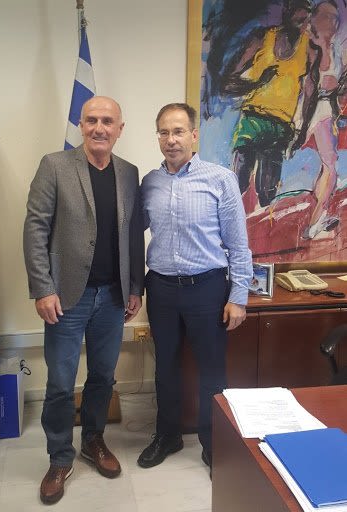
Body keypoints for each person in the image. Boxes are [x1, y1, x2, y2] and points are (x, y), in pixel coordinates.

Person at [23, 96, 144, 504]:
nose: (99, 128)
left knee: (103, 377)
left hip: (112, 297)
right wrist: (43, 288)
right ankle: (60, 457)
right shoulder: (55, 165)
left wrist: (135, 287)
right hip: (65, 298)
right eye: (92, 120)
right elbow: (35, 230)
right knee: (60, 383)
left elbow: (133, 235)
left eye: (107, 121)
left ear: (120, 129)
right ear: (81, 124)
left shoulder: (128, 172)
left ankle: (93, 440)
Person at [138, 103, 252, 476]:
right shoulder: (149, 183)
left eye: (178, 131)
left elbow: (239, 244)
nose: (171, 140)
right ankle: (168, 436)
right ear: (158, 136)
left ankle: (213, 443)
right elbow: (129, 234)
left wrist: (238, 297)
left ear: (193, 135)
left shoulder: (220, 179)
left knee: (212, 371)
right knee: (165, 368)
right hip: (161, 289)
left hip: (207, 288)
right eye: (164, 132)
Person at [222, 0, 319, 208]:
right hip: (252, 119)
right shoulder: (261, 39)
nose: (302, 23)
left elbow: (311, 95)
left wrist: (302, 131)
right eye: (298, 16)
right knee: (236, 185)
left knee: (267, 194)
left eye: (306, 18)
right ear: (287, 13)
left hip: (281, 127)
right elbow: (227, 83)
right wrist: (258, 83)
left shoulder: (310, 50)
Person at [300, 0, 341, 239]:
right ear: (315, 18)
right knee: (330, 167)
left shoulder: (333, 49)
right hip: (310, 113)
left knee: (328, 166)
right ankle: (315, 223)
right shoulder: (306, 45)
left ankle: (317, 218)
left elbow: (335, 84)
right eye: (327, 16)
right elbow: (306, 84)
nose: (332, 22)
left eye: (335, 18)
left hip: (327, 112)